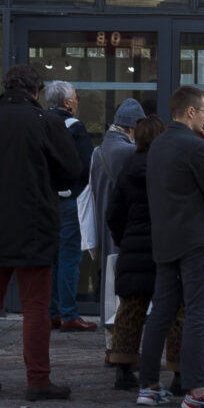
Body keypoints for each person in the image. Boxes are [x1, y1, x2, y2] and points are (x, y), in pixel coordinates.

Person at [0, 63, 85, 401]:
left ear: (5, 87)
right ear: (35, 91)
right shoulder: (47, 124)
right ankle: (38, 381)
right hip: (34, 225)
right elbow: (71, 173)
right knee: (36, 306)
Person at [137, 84, 204, 408]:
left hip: (165, 238)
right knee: (198, 313)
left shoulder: (159, 144)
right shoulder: (196, 147)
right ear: (191, 112)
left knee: (161, 313)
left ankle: (149, 385)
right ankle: (197, 391)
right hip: (195, 239)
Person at [103, 114, 174, 392]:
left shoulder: (129, 166)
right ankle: (179, 372)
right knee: (175, 312)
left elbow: (113, 213)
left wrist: (126, 239)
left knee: (130, 310)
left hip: (133, 246)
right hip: (165, 245)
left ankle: (123, 368)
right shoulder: (168, 166)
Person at [89, 97, 147, 333]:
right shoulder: (130, 152)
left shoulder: (97, 151)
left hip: (104, 222)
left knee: (108, 284)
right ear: (133, 127)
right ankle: (122, 343)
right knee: (126, 288)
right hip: (127, 225)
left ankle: (110, 345)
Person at [46, 81, 101, 333]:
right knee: (69, 258)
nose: (77, 101)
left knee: (53, 259)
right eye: (75, 97)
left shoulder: (40, 122)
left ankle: (53, 311)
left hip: (46, 200)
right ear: (67, 102)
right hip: (70, 200)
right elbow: (87, 165)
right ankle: (69, 313)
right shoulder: (74, 127)